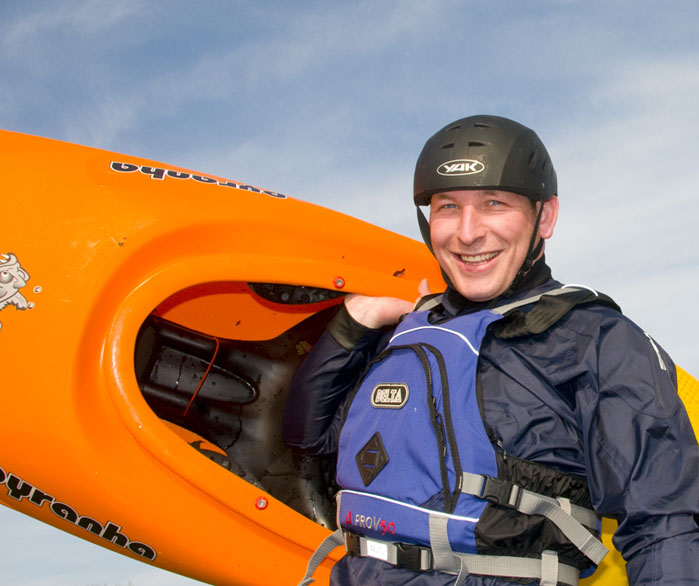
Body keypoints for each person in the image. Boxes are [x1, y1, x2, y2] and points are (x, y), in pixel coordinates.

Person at [282, 115, 699, 585]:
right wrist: (353, 326)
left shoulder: (597, 342)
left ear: (545, 216)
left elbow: (665, 527)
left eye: (494, 204)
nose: (467, 233)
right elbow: (310, 440)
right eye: (447, 207)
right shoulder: (408, 334)